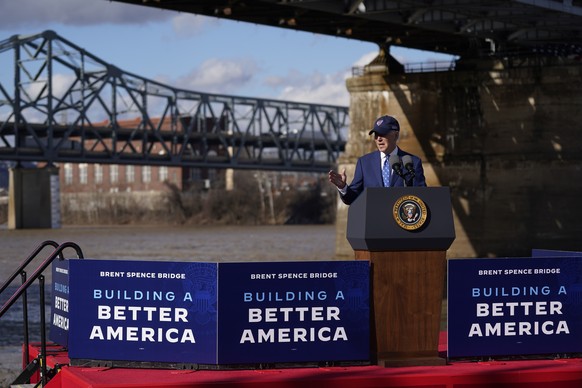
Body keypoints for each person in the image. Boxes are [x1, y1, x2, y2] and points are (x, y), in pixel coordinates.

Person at [328, 115, 426, 205]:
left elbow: (422, 197)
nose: (378, 139)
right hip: (373, 221)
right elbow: (353, 198)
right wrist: (343, 187)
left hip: (402, 221)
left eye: (383, 134)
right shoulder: (364, 163)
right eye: (376, 135)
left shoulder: (412, 162)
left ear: (395, 135)